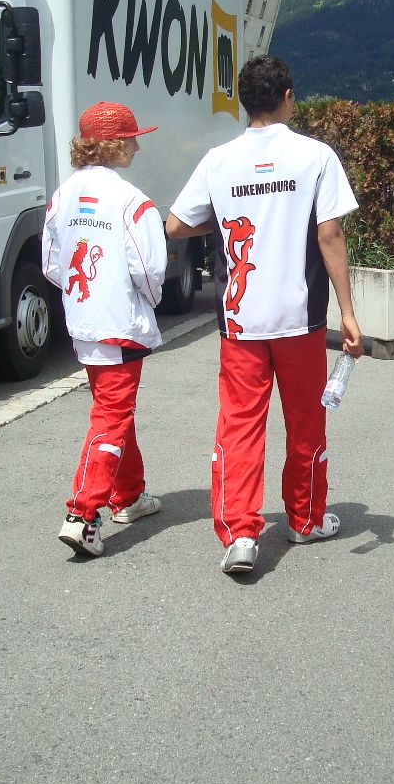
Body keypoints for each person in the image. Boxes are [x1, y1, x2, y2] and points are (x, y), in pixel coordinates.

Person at [167, 55, 363, 575]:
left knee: (239, 425)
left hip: (240, 318)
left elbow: (176, 225)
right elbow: (329, 234)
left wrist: (222, 221)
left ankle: (240, 533)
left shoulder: (219, 160)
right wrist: (348, 312)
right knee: (306, 422)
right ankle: (305, 519)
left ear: (243, 101)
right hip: (299, 317)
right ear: (288, 96)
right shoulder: (315, 156)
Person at [42, 101, 167, 557]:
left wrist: (85, 297)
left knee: (112, 410)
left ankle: (128, 496)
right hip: (121, 324)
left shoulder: (62, 195)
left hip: (83, 321)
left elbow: (51, 264)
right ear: (113, 144)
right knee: (112, 418)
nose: (137, 146)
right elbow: (150, 270)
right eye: (131, 138)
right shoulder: (133, 200)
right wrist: (146, 301)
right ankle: (83, 514)